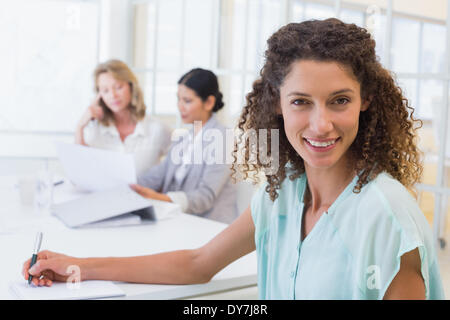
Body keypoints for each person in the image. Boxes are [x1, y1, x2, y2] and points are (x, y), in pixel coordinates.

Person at [22, 19, 444, 300]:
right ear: (276, 104)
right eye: (301, 102)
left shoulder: (388, 221)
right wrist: (77, 267)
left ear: (365, 101)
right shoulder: (282, 195)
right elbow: (198, 264)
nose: (320, 125)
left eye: (339, 101)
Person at [130, 68, 238, 224]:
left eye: (187, 101)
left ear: (209, 102)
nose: (180, 106)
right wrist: (129, 185)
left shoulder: (224, 139)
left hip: (210, 226)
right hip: (180, 221)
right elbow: (157, 175)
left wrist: (160, 198)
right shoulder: (184, 139)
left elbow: (205, 197)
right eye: (178, 99)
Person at [75, 59, 172, 175]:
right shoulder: (94, 130)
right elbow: (80, 170)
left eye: (118, 87)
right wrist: (80, 127)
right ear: (99, 96)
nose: (113, 95)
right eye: (105, 91)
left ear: (131, 86)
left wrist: (162, 188)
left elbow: (183, 166)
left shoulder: (157, 129)